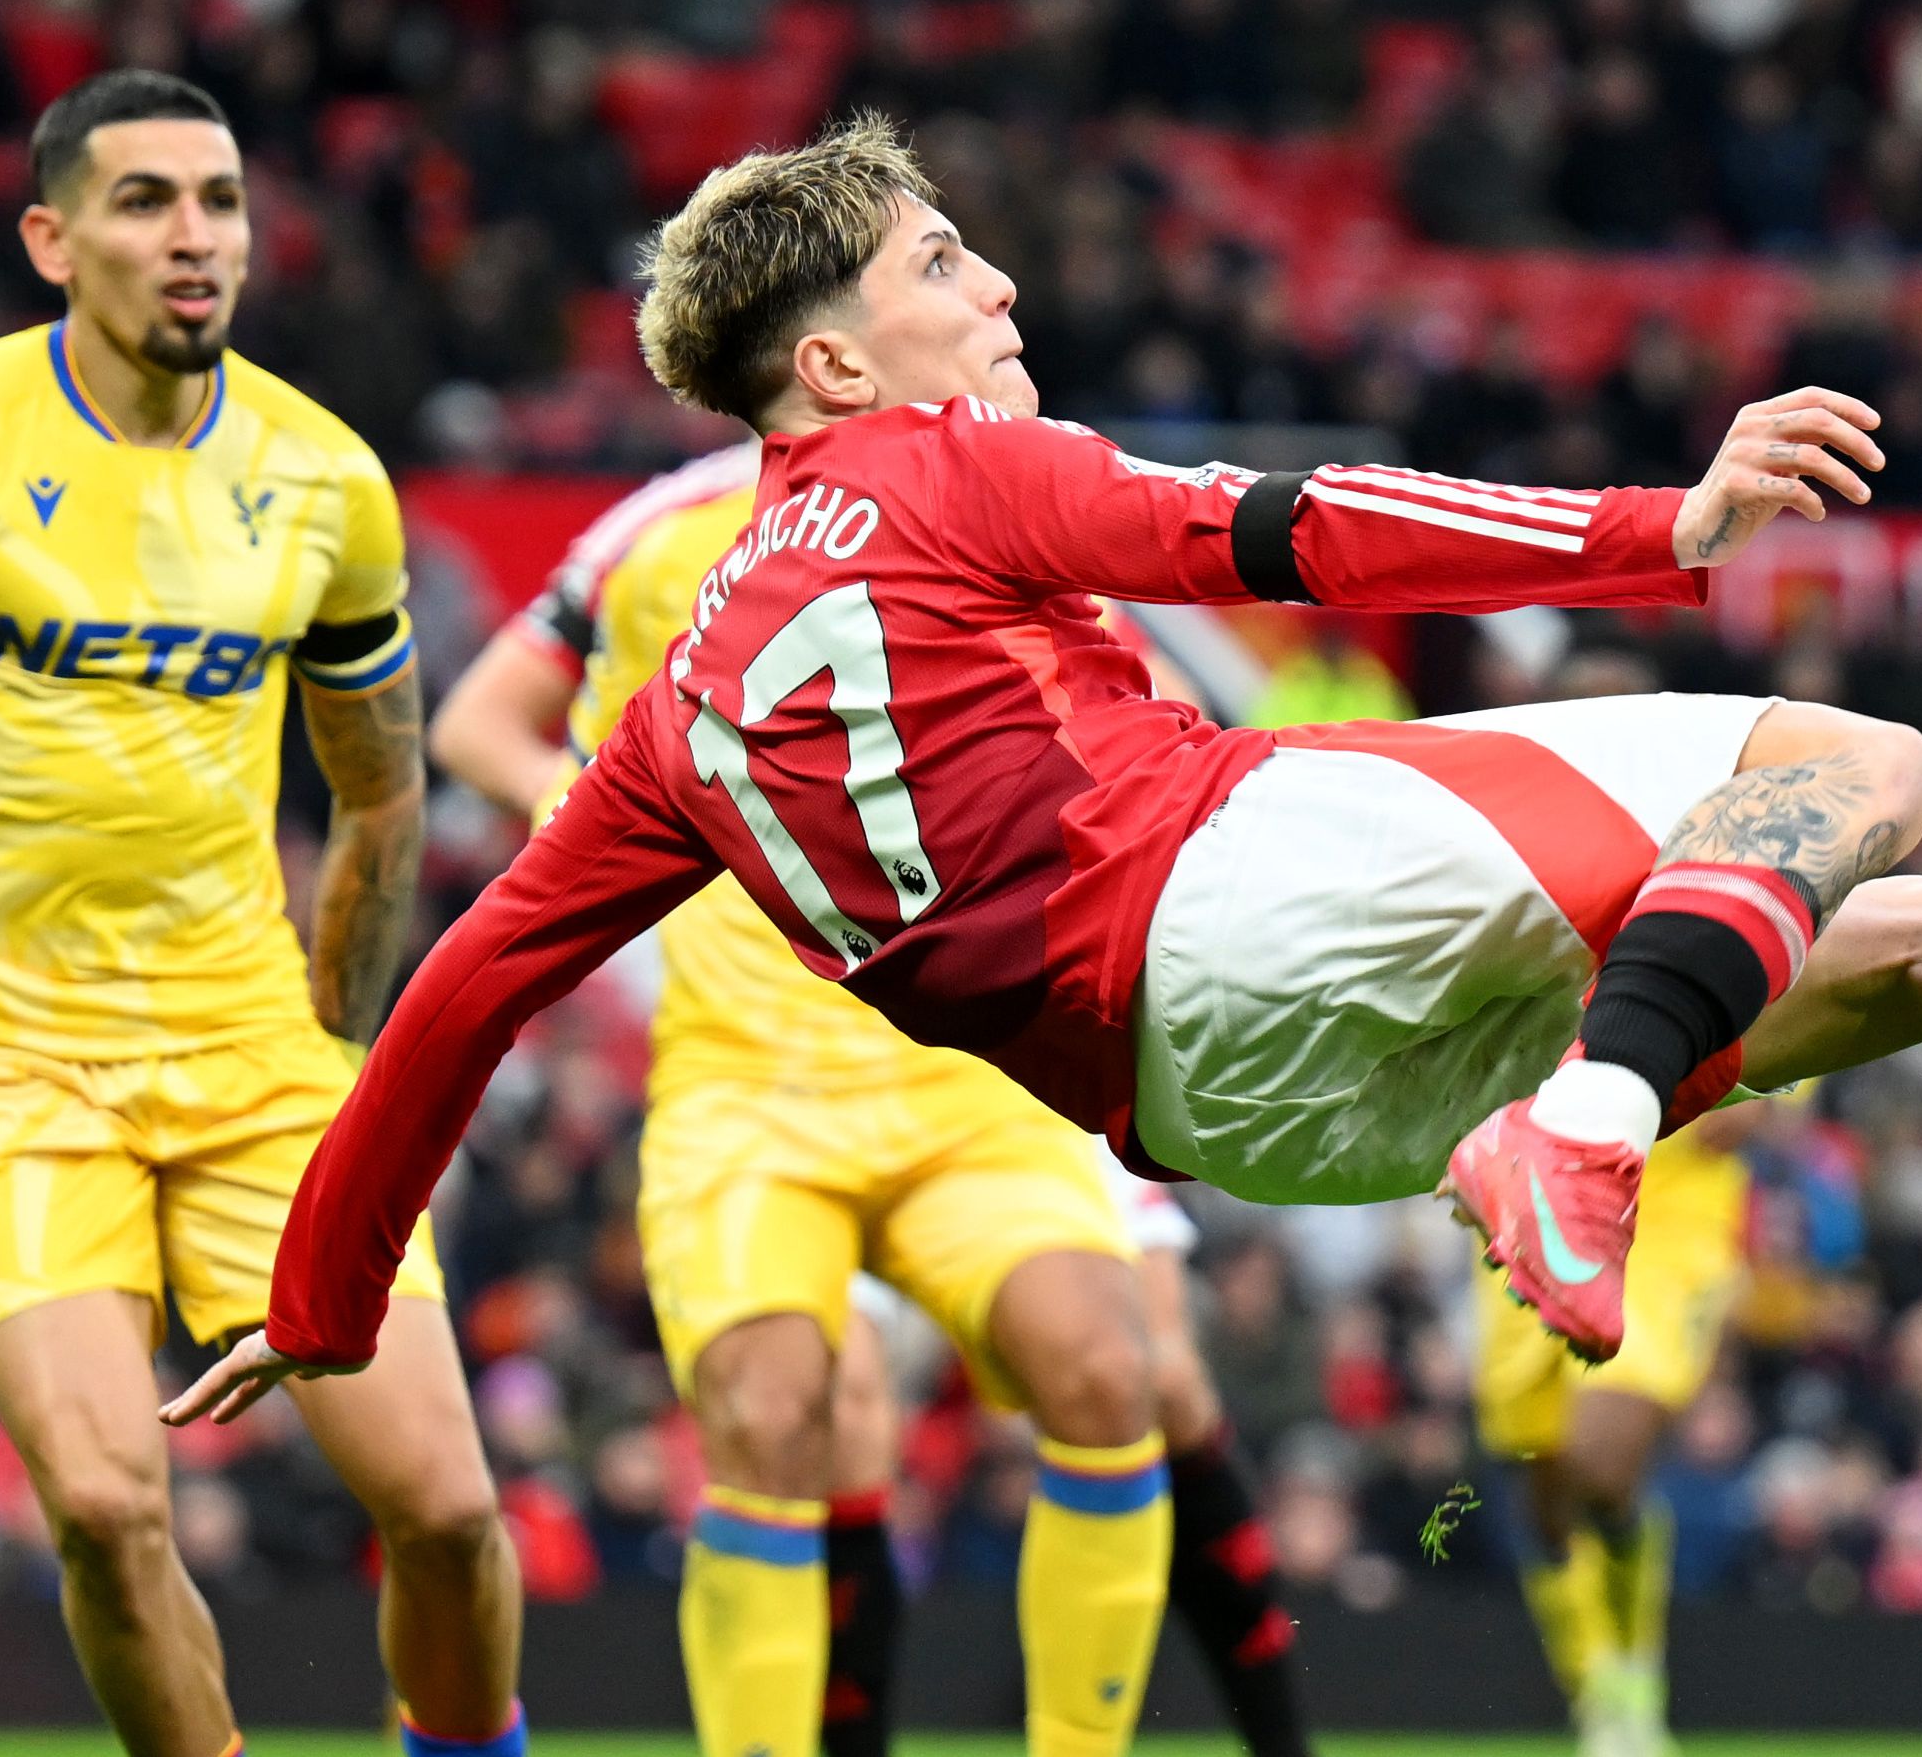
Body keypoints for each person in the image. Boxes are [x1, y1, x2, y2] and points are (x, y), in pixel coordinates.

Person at [171, 111, 1922, 1444]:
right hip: (1234, 883)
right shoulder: (927, 479)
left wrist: (317, 1293)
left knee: (1897, 946)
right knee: (1846, 762)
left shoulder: (663, 716)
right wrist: (1656, 527)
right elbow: (1284, 519)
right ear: (827, 365)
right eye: (944, 271)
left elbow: (459, 1002)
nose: (993, 296)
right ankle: (1584, 1125)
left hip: (1221, 1109)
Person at [0, 70, 526, 1757]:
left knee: (448, 1508)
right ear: (49, 237)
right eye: (147, 199)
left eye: (220, 201)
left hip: (255, 1054)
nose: (194, 237)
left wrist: (342, 1037)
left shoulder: (324, 479)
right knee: (102, 1502)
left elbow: (377, 786)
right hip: (2, 1064)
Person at [428, 440, 1308, 1757]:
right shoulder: (659, 530)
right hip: (755, 1082)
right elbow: (476, 721)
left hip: (975, 1067)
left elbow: (1170, 722)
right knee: (790, 1410)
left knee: (1120, 1362)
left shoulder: (996, 498)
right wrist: (622, 830)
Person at [1478, 1092, 1767, 1757]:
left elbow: (1752, 1108)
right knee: (1541, 1477)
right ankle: (1599, 1688)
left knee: (1598, 1464)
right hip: (1527, 1207)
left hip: (1662, 1232)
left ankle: (1632, 1681)